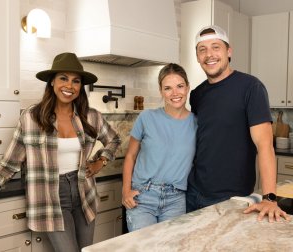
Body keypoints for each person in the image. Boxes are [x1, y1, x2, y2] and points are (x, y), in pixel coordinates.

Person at [0, 52, 121, 252]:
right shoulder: (32, 118)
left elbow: (114, 139)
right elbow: (10, 163)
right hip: (50, 198)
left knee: (87, 251)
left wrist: (100, 162)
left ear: (80, 87)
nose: (69, 86)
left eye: (75, 81)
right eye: (63, 78)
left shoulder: (91, 116)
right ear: (52, 82)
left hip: (84, 194)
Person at [187, 25, 290, 222]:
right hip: (193, 192)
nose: (209, 54)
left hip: (231, 197)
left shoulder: (251, 87)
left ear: (229, 51)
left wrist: (269, 198)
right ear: (198, 56)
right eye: (202, 49)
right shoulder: (197, 94)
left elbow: (265, 145)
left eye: (216, 47)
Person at [122, 63, 197, 231]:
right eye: (168, 88)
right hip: (142, 197)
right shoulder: (147, 117)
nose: (175, 93)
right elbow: (130, 156)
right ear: (161, 92)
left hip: (176, 199)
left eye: (180, 86)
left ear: (187, 88)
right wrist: (125, 191)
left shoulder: (197, 124)